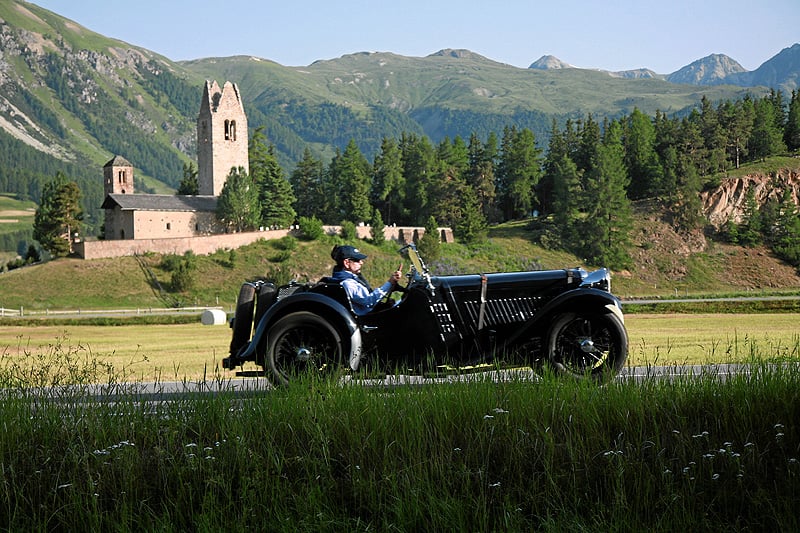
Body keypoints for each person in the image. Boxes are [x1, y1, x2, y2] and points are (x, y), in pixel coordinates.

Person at [330, 245, 403, 315]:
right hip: (367, 319)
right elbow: (369, 301)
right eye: (357, 260)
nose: (361, 263)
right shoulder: (348, 283)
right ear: (347, 263)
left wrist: (391, 285)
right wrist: (389, 282)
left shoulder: (349, 279)